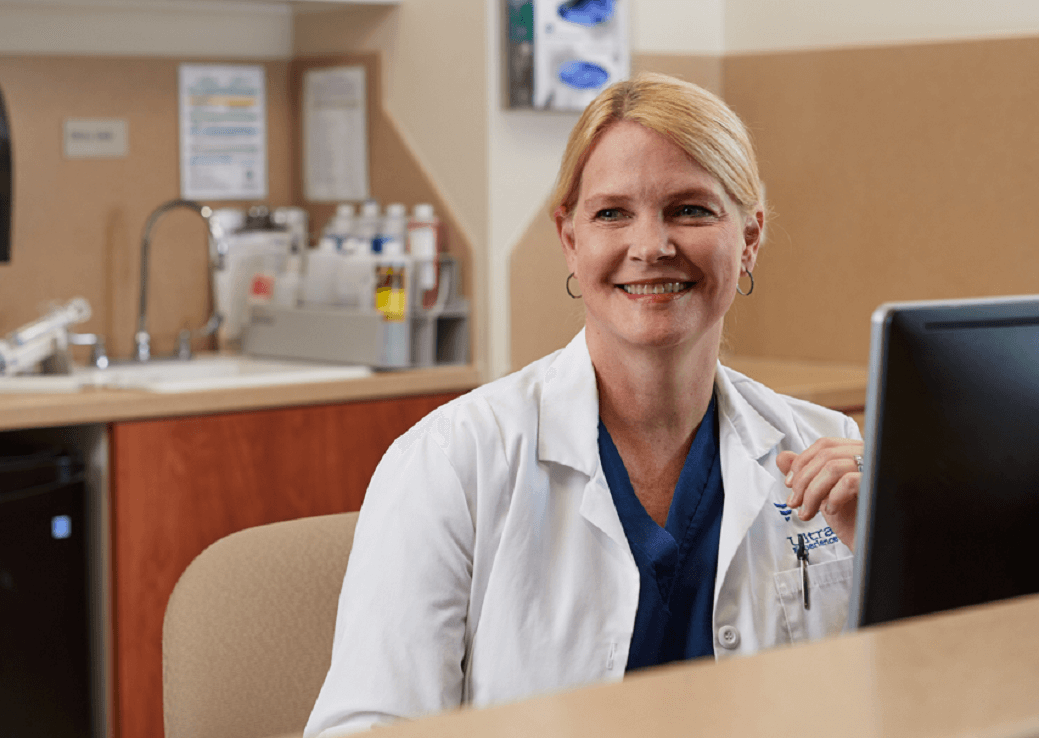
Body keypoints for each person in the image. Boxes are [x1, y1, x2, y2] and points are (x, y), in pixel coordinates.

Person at [305, 72, 864, 737]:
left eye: (690, 209)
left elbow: (918, 698)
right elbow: (368, 726)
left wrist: (888, 556)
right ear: (569, 238)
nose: (650, 245)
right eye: (611, 213)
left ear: (747, 236)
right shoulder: (451, 459)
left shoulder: (825, 449)